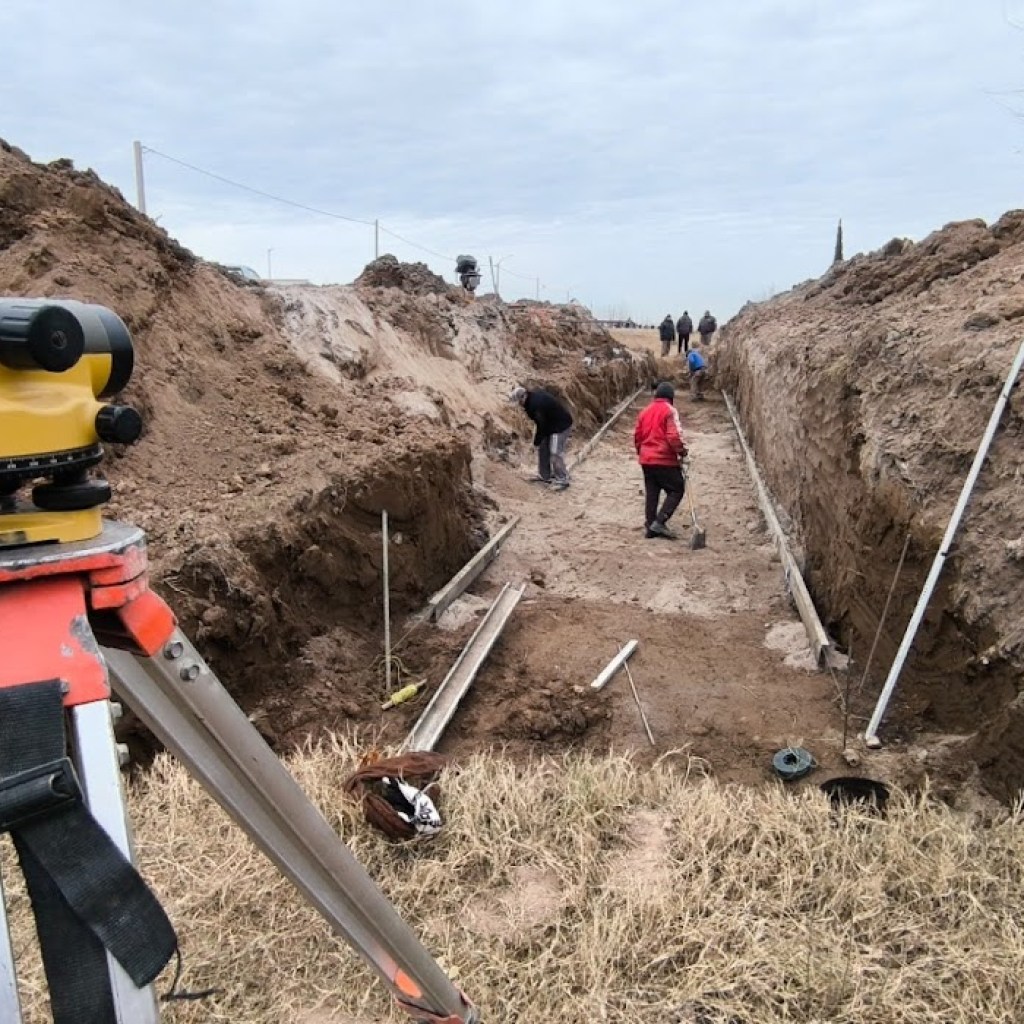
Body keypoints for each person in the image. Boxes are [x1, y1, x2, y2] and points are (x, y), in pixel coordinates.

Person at [633, 382, 688, 539]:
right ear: (671, 398)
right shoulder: (669, 411)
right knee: (677, 488)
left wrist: (641, 452)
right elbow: (674, 436)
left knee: (652, 492)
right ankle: (660, 521)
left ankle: (650, 525)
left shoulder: (644, 411)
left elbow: (637, 436)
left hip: (646, 459)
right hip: (664, 459)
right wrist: (682, 452)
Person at [509, 386, 573, 489]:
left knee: (555, 452)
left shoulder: (535, 404)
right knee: (543, 448)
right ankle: (544, 475)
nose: (520, 405)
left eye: (519, 402)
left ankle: (562, 479)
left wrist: (536, 441)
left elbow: (541, 424)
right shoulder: (531, 401)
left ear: (523, 397)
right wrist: (539, 442)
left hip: (561, 426)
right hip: (550, 425)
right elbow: (541, 423)